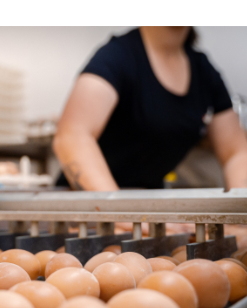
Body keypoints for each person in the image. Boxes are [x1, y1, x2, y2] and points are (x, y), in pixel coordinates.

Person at [53, 26, 247, 191]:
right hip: (89, 213)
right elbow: (72, 137)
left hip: (146, 210)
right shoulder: (117, 56)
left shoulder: (203, 70)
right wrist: (122, 213)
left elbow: (235, 152)